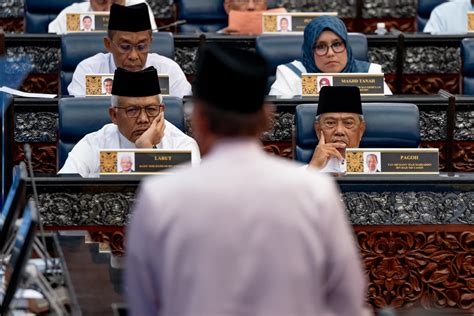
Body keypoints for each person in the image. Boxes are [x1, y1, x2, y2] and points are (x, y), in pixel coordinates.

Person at [126, 43, 368, 315]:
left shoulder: (160, 196)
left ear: (199, 120)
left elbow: (143, 305)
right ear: (267, 119)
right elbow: (347, 301)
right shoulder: (314, 192)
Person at [59, 66, 200, 177]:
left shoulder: (182, 145)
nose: (143, 119)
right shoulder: (93, 144)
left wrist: (146, 150)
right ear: (114, 115)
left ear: (161, 110)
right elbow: (64, 189)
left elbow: (190, 197)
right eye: (132, 110)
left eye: (151, 109)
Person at [67, 3, 191, 98]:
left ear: (150, 43)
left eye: (141, 47)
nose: (133, 56)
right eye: (125, 47)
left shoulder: (169, 70)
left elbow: (185, 115)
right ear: (108, 44)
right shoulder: (89, 71)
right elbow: (78, 116)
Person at [269, 15, 392, 96]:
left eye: (337, 44)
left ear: (347, 46)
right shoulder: (290, 74)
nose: (330, 53)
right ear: (309, 50)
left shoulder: (370, 73)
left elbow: (388, 117)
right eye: (321, 46)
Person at [308, 86, 366, 173]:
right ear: (318, 130)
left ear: (361, 130)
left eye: (348, 123)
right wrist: (314, 167)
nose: (339, 131)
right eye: (330, 123)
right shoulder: (302, 173)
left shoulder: (378, 172)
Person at [48, 0, 157, 34]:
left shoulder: (139, 8)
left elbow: (154, 46)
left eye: (115, 2)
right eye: (101, 2)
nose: (109, 10)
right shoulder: (72, 14)